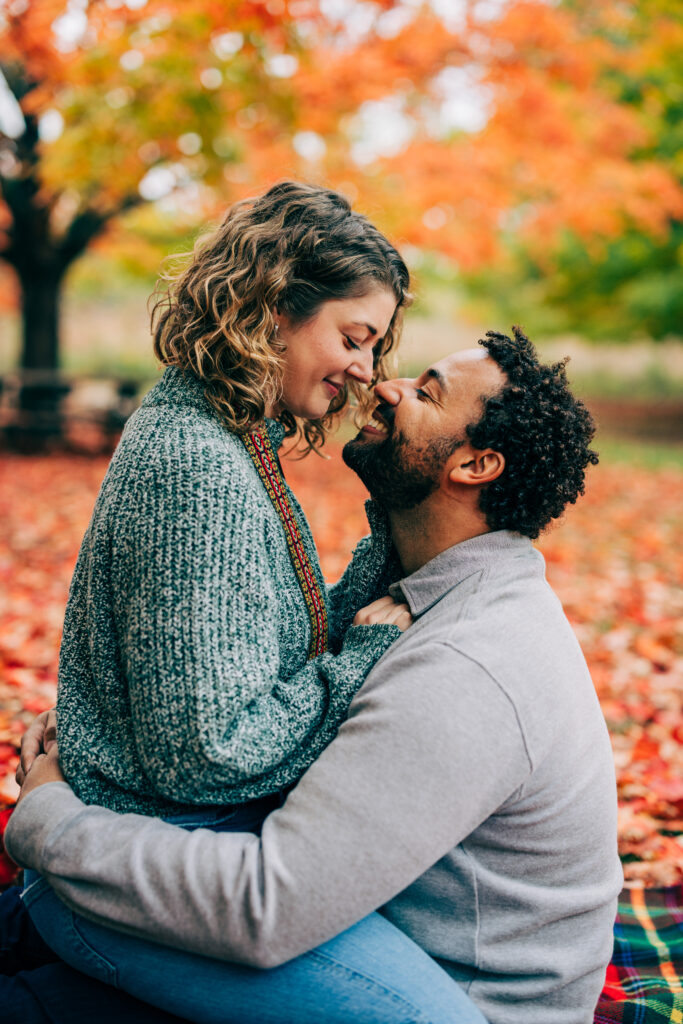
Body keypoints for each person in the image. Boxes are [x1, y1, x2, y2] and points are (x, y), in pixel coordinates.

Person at [4, 327, 623, 1024]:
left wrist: (50, 819)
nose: (383, 384)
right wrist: (112, 721)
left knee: (71, 936)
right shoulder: (428, 593)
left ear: (476, 465)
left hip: (461, 1006)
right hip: (370, 930)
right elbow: (259, 686)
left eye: (425, 393)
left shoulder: (467, 663)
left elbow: (263, 909)